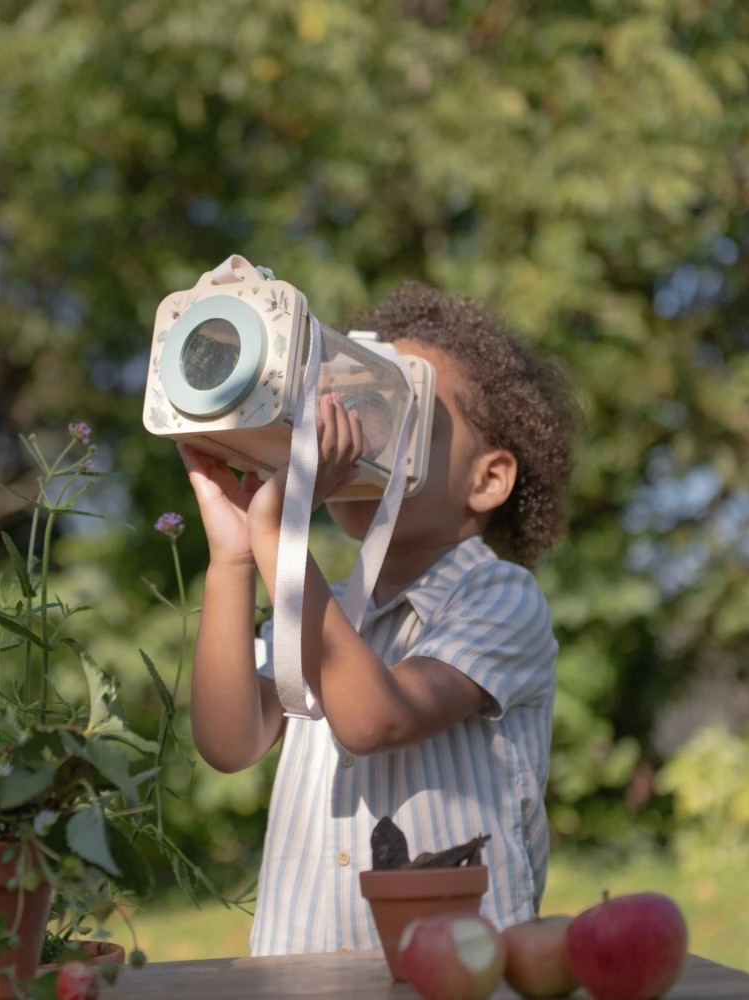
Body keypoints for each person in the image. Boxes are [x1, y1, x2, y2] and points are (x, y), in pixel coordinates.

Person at [179, 281, 580, 955]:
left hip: (458, 974)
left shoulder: (500, 597)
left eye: (406, 414)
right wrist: (235, 557)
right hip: (302, 973)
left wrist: (284, 535)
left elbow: (376, 719)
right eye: (357, 401)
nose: (366, 432)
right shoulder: (321, 603)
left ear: (488, 479)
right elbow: (229, 742)